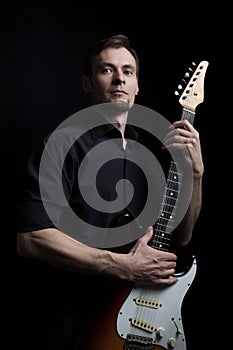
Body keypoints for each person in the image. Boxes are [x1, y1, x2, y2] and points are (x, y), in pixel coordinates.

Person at [16, 34, 204, 350]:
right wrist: (122, 266)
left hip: (141, 320)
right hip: (75, 325)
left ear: (137, 85)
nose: (119, 78)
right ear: (87, 83)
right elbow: (31, 239)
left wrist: (196, 175)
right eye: (107, 70)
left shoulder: (151, 151)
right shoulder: (61, 145)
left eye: (128, 71)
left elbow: (179, 237)